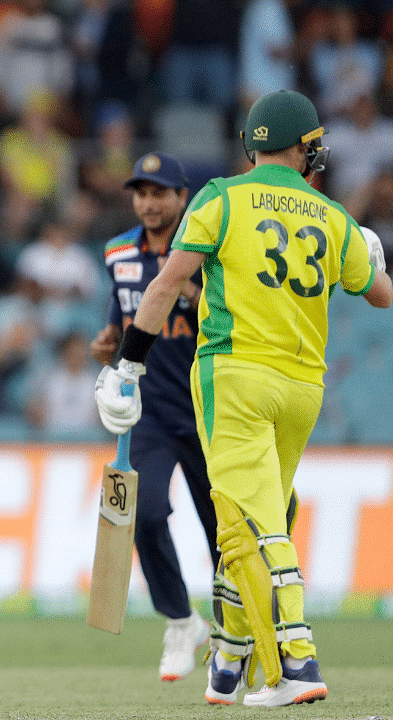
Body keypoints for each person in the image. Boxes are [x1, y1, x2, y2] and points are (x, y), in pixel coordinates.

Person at [95, 89, 393, 707]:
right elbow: (381, 294)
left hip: (234, 377)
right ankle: (229, 661)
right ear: (306, 146)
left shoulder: (220, 198)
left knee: (246, 528)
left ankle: (296, 660)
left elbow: (167, 283)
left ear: (251, 145)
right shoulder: (332, 212)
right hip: (304, 389)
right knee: (261, 513)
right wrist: (371, 252)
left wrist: (127, 367)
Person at [89, 151, 221, 682]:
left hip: (211, 409)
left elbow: (226, 312)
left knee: (223, 534)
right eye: (140, 193)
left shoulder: (205, 252)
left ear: (182, 197)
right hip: (149, 414)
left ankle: (237, 630)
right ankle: (180, 621)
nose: (148, 203)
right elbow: (121, 318)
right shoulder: (118, 251)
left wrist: (185, 289)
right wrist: (110, 345)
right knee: (140, 514)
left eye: (159, 192)